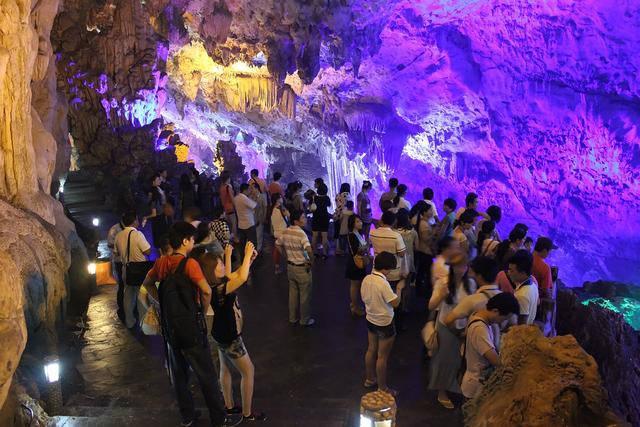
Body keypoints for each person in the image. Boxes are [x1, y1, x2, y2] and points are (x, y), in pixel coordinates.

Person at [140, 222, 234, 427]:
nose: (193, 243)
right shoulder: (190, 264)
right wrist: (201, 309)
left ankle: (187, 417)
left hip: (171, 329)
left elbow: (147, 284)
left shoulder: (161, 263)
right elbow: (206, 290)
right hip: (191, 327)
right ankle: (219, 419)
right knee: (207, 375)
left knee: (179, 376)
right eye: (191, 240)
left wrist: (161, 302)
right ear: (184, 241)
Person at [197, 242, 266, 422]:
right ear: (212, 271)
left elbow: (234, 275)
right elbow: (241, 278)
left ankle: (228, 406)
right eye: (219, 264)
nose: (222, 265)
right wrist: (247, 254)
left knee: (225, 369)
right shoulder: (218, 289)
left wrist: (248, 260)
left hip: (219, 333)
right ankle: (247, 412)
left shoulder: (218, 284)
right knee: (248, 371)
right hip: (229, 336)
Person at [427, 251, 476, 409]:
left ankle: (455, 387)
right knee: (444, 361)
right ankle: (442, 392)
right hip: (446, 328)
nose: (460, 269)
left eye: (462, 266)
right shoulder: (443, 283)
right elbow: (431, 306)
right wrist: (441, 295)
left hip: (464, 326)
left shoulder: (471, 284)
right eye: (456, 266)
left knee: (459, 361)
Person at [361, 252, 406, 397]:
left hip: (370, 319)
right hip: (385, 323)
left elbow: (364, 298)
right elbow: (395, 303)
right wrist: (399, 289)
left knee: (370, 350)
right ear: (385, 269)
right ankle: (382, 388)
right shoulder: (383, 283)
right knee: (382, 357)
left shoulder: (367, 279)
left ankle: (369, 379)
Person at [461, 293, 520, 399]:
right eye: (505, 318)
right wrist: (511, 369)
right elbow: (493, 358)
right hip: (476, 384)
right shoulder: (479, 328)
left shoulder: (478, 314)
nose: (504, 322)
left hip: (478, 380)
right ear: (495, 311)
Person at [276, 210, 316, 326]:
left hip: (290, 267)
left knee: (292, 294)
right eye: (303, 218)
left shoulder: (286, 231)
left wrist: (285, 255)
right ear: (296, 221)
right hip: (302, 268)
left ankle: (292, 318)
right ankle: (304, 320)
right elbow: (309, 250)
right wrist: (311, 262)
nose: (305, 219)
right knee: (304, 296)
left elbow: (277, 244)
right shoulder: (301, 234)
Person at [114, 212, 151, 328]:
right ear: (134, 221)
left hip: (126, 269)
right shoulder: (138, 234)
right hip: (140, 270)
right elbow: (147, 251)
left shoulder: (118, 235)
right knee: (142, 296)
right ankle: (143, 323)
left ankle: (129, 321)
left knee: (128, 296)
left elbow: (116, 253)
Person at [370, 211, 406, 330]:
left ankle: (380, 320)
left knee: (380, 297)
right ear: (394, 222)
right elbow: (401, 253)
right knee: (395, 297)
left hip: (378, 269)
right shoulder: (396, 236)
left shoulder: (373, 233)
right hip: (393, 271)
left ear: (382, 220)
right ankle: (397, 325)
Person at [444, 256, 502, 329]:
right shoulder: (507, 299)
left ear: (479, 276)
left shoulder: (472, 300)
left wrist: (458, 334)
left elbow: (448, 320)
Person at [505, 250, 539, 325]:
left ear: (523, 273)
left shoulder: (522, 295)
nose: (508, 273)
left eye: (512, 271)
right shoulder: (533, 285)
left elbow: (521, 326)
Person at [346, 215, 369, 316]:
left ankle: (355, 305)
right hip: (354, 263)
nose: (360, 223)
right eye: (357, 221)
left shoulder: (358, 233)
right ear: (352, 224)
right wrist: (366, 247)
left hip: (359, 262)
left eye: (360, 221)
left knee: (357, 285)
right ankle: (354, 307)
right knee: (355, 285)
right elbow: (356, 250)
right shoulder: (351, 235)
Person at [413, 202, 436, 297]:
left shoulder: (425, 222)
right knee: (425, 272)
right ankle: (424, 292)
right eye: (430, 210)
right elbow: (427, 239)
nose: (432, 212)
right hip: (425, 251)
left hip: (424, 251)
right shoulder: (424, 225)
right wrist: (434, 233)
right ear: (425, 212)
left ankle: (421, 290)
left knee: (422, 271)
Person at [107, 215, 126, 321]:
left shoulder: (130, 229)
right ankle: (121, 308)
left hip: (128, 261)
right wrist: (119, 247)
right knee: (122, 284)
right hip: (119, 260)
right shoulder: (114, 229)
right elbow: (109, 244)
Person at [394, 209, 417, 289]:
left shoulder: (394, 233)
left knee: (396, 285)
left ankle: (397, 300)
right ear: (408, 218)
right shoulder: (413, 232)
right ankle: (405, 300)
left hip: (396, 262)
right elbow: (416, 247)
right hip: (409, 261)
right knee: (406, 286)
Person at [311, 183, 331, 259]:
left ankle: (315, 253)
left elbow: (311, 207)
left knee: (314, 236)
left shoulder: (314, 198)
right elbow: (329, 205)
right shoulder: (327, 198)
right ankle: (324, 254)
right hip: (324, 218)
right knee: (324, 236)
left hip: (316, 217)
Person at [234, 183, 258, 249]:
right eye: (249, 189)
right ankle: (252, 257)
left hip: (241, 224)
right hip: (249, 224)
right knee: (252, 243)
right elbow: (255, 206)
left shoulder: (236, 198)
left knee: (242, 244)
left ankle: (243, 257)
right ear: (245, 190)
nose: (250, 191)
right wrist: (255, 196)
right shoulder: (244, 198)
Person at [270, 193, 289, 275]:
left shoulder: (272, 209)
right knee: (287, 251)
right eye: (280, 197)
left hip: (276, 233)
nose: (282, 199)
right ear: (278, 199)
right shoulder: (281, 208)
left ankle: (277, 268)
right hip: (284, 233)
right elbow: (288, 215)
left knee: (277, 251)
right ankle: (290, 265)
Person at [248, 178, 267, 252]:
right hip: (252, 219)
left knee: (259, 233)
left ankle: (258, 250)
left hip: (260, 218)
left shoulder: (262, 197)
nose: (251, 190)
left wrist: (264, 217)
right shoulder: (250, 197)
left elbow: (265, 208)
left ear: (257, 189)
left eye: (252, 188)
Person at [334, 183, 352, 255]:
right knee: (344, 233)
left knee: (337, 232)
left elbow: (337, 204)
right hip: (344, 215)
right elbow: (349, 204)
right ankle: (344, 249)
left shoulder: (337, 195)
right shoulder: (347, 194)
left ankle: (337, 249)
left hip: (337, 214)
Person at [219, 171, 237, 241]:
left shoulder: (221, 187)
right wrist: (235, 207)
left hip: (225, 208)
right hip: (231, 208)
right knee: (234, 225)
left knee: (229, 226)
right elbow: (232, 199)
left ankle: (228, 240)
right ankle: (234, 240)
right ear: (228, 178)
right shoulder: (228, 187)